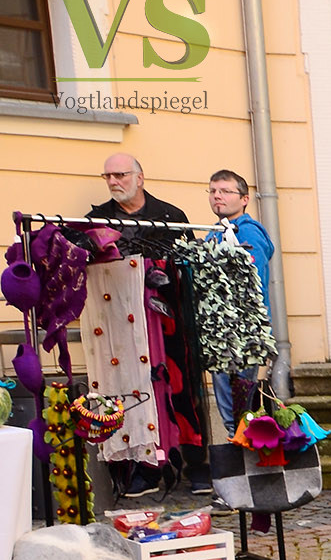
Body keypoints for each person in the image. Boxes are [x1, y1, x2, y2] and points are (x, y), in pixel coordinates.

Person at [91, 154, 205, 497]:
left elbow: (189, 266)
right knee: (132, 391)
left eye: (121, 174)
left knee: (181, 389)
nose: (113, 181)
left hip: (168, 321)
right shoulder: (96, 220)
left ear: (140, 178)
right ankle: (144, 469)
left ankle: (196, 464)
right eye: (108, 175)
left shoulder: (170, 217)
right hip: (120, 327)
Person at [206, 168, 275, 434]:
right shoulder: (215, 232)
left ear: (244, 199)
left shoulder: (247, 233)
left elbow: (253, 281)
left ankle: (244, 461)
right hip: (221, 332)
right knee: (230, 402)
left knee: (239, 405)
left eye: (225, 191)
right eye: (212, 191)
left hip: (242, 331)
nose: (217, 197)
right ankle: (238, 452)